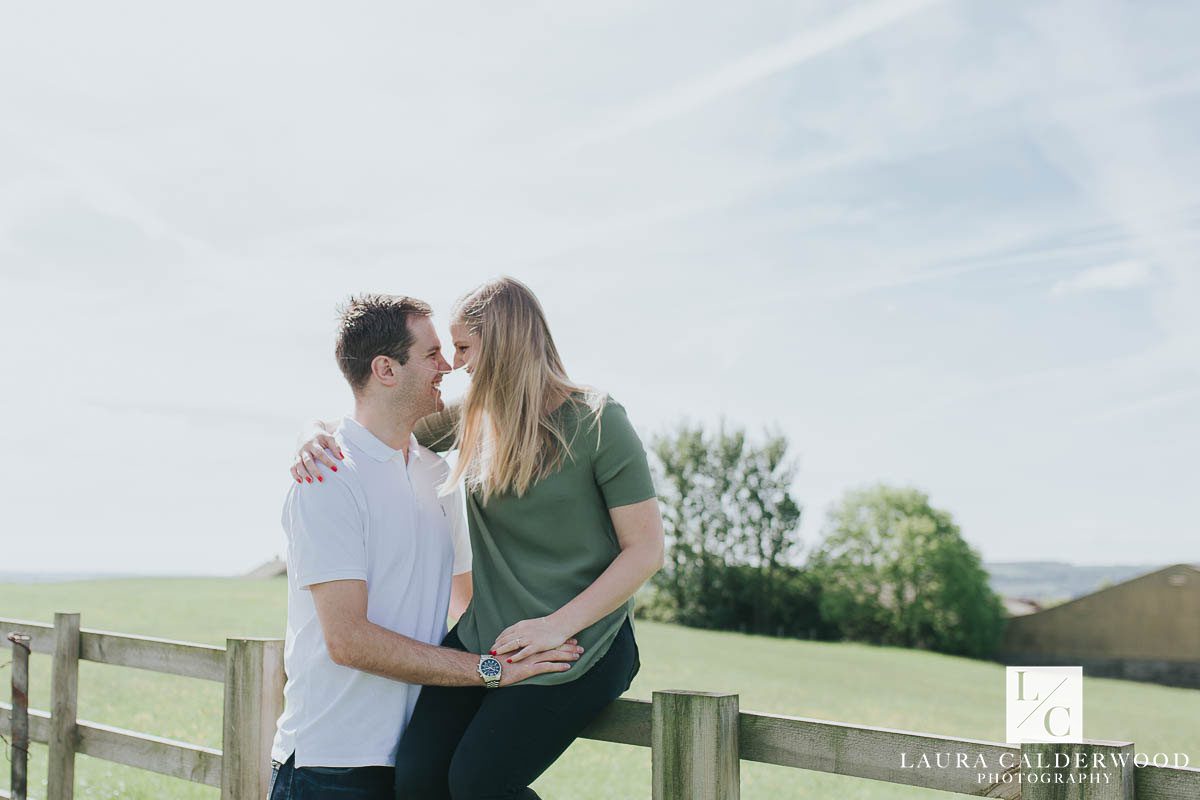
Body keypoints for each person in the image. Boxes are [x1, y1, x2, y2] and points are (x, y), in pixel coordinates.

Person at [291, 277, 665, 800]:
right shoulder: (471, 417)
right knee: (417, 781)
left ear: (505, 342)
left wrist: (553, 628)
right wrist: (314, 433)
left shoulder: (599, 421)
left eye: (464, 347)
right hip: (487, 636)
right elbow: (375, 421)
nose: (456, 364)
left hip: (579, 641)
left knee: (478, 785)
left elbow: (646, 549)